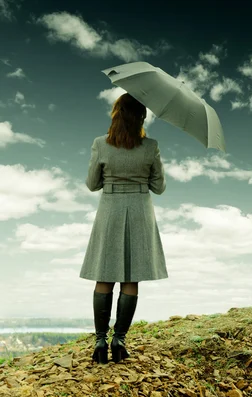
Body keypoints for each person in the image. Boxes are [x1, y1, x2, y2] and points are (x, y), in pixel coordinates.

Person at [79, 93, 168, 364]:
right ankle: (119, 340)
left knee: (104, 274)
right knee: (131, 277)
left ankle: (99, 341)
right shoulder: (150, 146)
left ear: (116, 115)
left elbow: (93, 184)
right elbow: (159, 187)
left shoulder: (100, 144)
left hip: (110, 210)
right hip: (140, 210)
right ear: (141, 117)